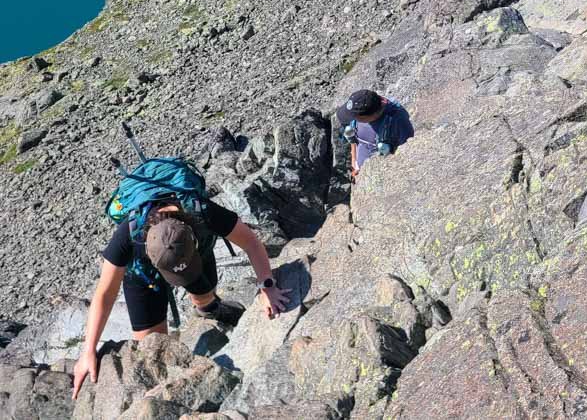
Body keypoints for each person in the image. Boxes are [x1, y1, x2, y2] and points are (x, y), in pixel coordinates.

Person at [72, 198, 289, 399]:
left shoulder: (202, 212)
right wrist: (88, 351)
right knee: (151, 347)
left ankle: (208, 306)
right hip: (143, 276)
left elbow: (251, 242)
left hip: (194, 255)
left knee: (203, 292)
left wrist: (267, 287)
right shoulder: (127, 237)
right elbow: (105, 294)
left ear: (193, 238)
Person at [339, 89, 414, 181]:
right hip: (361, 167)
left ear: (372, 115)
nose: (351, 118)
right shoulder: (358, 108)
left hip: (384, 171)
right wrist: (354, 165)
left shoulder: (397, 120)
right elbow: (353, 139)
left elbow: (408, 150)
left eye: (355, 117)